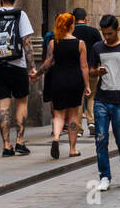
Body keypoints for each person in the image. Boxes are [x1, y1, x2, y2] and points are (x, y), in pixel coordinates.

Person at [0, 0, 35, 158]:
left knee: (3, 106)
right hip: (17, 64)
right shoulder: (20, 15)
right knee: (21, 102)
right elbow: (26, 42)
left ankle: (6, 145)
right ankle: (20, 142)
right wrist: (33, 66)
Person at [89, 15, 120, 192]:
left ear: (118, 30)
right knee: (101, 139)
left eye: (109, 33)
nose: (106, 37)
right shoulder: (97, 48)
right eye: (104, 33)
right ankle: (104, 176)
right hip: (101, 99)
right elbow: (91, 71)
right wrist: (97, 72)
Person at [34, 13, 91, 159]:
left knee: (58, 114)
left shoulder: (53, 43)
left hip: (58, 80)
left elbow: (47, 63)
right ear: (71, 25)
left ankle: (56, 138)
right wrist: (87, 85)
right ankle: (72, 149)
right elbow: (84, 66)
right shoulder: (80, 44)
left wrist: (37, 74)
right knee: (73, 115)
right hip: (75, 81)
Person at [73, 8, 101, 134]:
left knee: (78, 99)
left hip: (76, 70)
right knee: (91, 96)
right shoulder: (94, 32)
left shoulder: (71, 32)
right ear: (86, 18)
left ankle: (78, 128)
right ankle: (91, 121)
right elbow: (101, 48)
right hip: (91, 69)